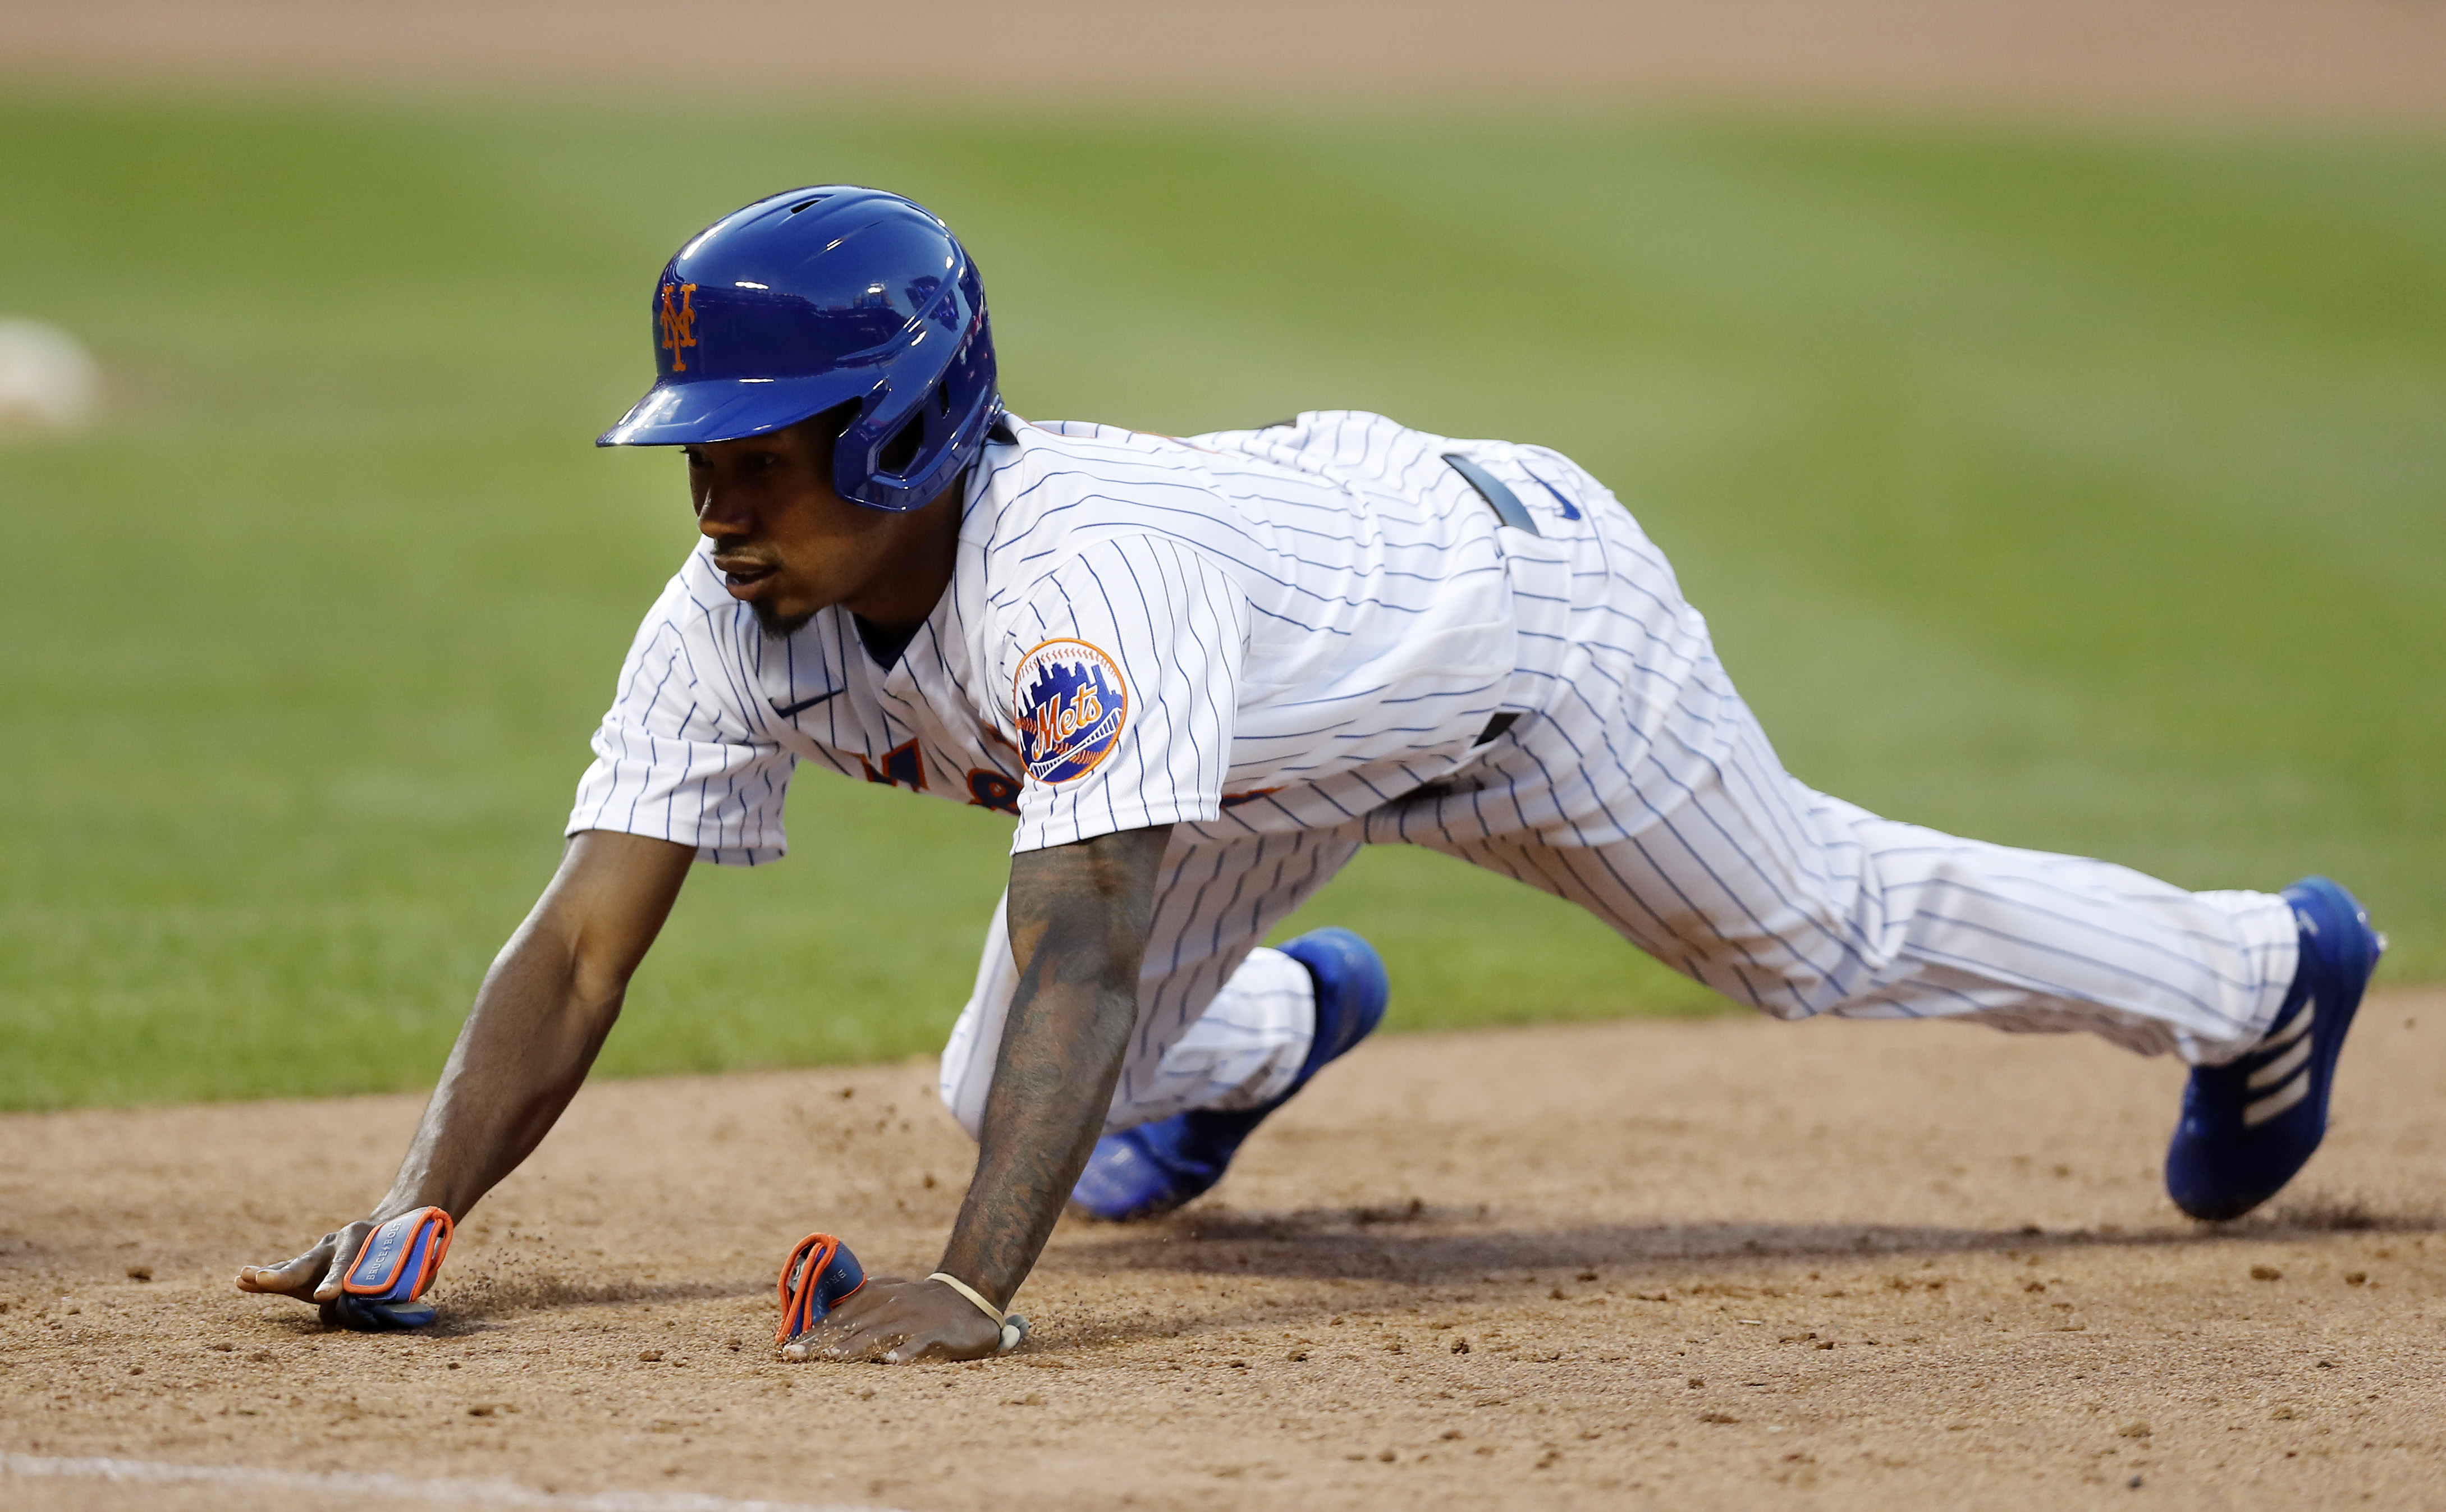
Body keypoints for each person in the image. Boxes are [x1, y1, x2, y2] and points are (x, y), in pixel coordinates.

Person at [237, 186, 2385, 1363]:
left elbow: (1080, 947)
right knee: (1005, 1102)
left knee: (1811, 935)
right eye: (699, 449)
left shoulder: (1083, 585)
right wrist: (421, 1207)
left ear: (897, 434)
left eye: (760, 448)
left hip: (1525, 658)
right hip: (1259, 752)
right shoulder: (733, 614)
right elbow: (587, 937)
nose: (712, 495)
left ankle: (2257, 975)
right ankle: (1266, 1037)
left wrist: (975, 1290)